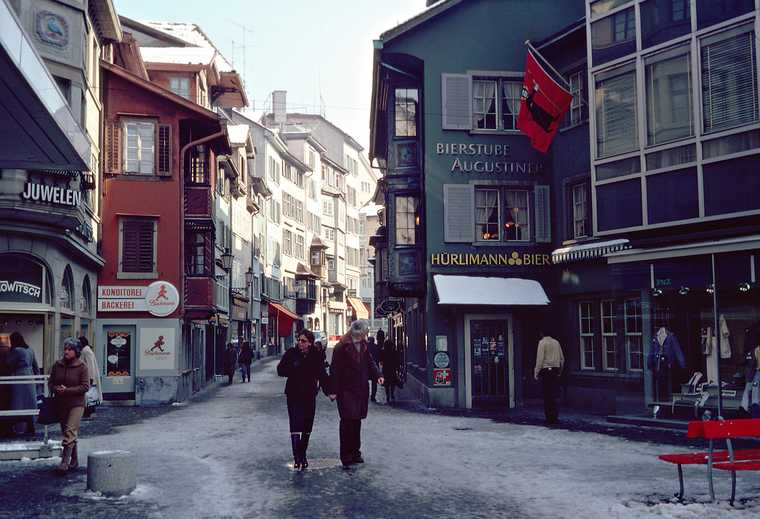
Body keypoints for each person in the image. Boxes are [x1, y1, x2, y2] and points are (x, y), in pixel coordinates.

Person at [330, 320, 383, 468]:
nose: (366, 336)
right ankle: (346, 455)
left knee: (357, 421)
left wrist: (377, 374)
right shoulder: (341, 347)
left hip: (360, 389)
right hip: (346, 390)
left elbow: (370, 362)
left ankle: (355, 452)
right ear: (358, 334)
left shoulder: (364, 345)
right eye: (365, 334)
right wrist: (333, 391)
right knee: (347, 422)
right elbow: (335, 370)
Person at [276, 329, 331, 470]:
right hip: (293, 394)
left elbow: (322, 375)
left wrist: (330, 392)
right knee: (295, 424)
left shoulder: (316, 356)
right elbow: (280, 370)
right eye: (299, 340)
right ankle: (297, 458)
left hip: (309, 395)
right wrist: (292, 367)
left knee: (307, 426)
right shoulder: (291, 354)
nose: (300, 343)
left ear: (310, 343)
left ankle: (303, 454)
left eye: (303, 341)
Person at [49, 338, 89, 473]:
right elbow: (51, 382)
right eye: (65, 348)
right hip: (61, 404)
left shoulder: (82, 367)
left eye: (70, 349)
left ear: (76, 351)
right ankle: (74, 460)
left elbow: (85, 386)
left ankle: (64, 463)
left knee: (70, 431)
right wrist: (56, 389)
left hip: (77, 404)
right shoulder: (57, 365)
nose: (66, 351)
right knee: (67, 432)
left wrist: (67, 390)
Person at [7, 332, 39, 436]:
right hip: (30, 378)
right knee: (30, 403)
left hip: (19, 378)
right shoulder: (30, 349)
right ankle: (31, 426)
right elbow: (36, 367)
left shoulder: (16, 351)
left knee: (18, 403)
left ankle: (18, 428)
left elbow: (9, 363)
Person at [534, 331, 565, 425]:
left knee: (547, 395)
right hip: (555, 370)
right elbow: (562, 359)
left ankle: (549, 418)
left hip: (546, 371)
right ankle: (555, 417)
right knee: (554, 394)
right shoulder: (556, 342)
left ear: (541, 334)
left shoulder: (542, 343)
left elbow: (540, 359)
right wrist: (560, 371)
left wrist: (536, 372)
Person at [78, 336, 101, 418]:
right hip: (88, 376)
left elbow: (90, 366)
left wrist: (91, 378)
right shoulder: (86, 350)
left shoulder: (86, 351)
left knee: (89, 395)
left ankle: (88, 411)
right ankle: (88, 411)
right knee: (89, 395)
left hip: (88, 377)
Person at [0, 334, 12, 437]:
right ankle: (7, 428)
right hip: (9, 382)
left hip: (3, 382)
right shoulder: (9, 351)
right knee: (7, 404)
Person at [380, 339, 399, 404]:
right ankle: (392, 394)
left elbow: (381, 361)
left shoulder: (383, 351)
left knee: (387, 383)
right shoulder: (394, 351)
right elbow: (397, 360)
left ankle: (387, 395)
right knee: (392, 382)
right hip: (392, 369)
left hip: (386, 369)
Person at [367, 337, 381, 403]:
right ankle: (373, 396)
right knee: (374, 383)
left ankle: (366, 395)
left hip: (367, 367)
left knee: (365, 382)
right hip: (375, 367)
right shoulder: (376, 347)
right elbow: (379, 356)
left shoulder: (365, 347)